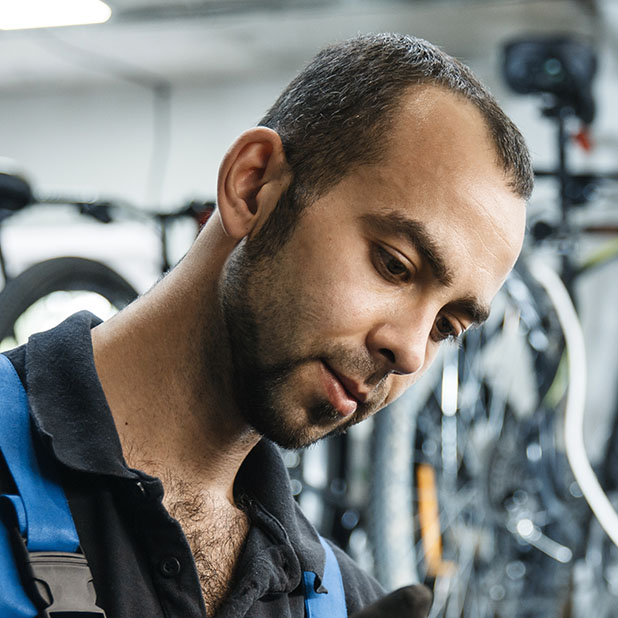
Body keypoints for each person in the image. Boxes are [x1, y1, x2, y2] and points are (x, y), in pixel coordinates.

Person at [0, 32, 532, 618]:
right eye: (394, 265)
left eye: (445, 328)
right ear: (253, 187)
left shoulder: (338, 600)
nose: (409, 352)